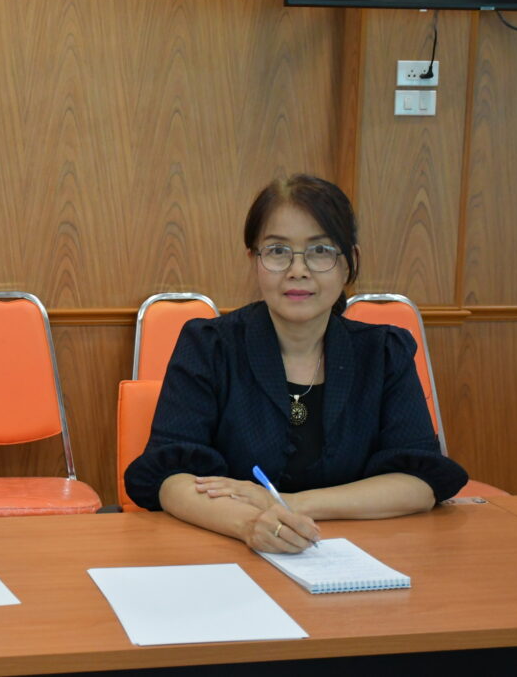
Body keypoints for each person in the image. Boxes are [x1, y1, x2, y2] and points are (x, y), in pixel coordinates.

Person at [124, 173, 468, 553]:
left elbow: (418, 484)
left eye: (320, 250)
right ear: (254, 261)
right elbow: (172, 479)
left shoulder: (384, 353)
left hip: (356, 556)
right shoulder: (208, 347)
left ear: (349, 263)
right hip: (228, 551)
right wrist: (250, 526)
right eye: (277, 251)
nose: (298, 270)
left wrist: (288, 504)